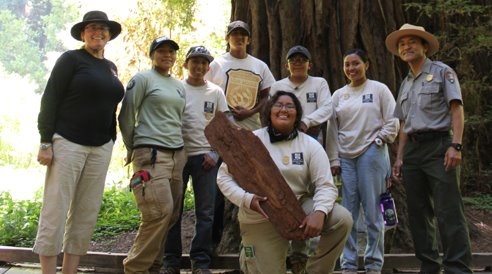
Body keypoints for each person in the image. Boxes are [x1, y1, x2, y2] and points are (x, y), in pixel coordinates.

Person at [217, 91, 353, 274]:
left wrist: (320, 212)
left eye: (290, 106)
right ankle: (250, 257)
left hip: (297, 208)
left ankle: (313, 271)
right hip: (260, 214)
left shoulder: (310, 145)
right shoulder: (251, 140)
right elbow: (223, 176)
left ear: (297, 114)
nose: (284, 109)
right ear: (269, 111)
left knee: (341, 220)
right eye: (278, 105)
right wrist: (247, 199)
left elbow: (325, 186)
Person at [34, 10, 124, 274]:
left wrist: (111, 138)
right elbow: (50, 99)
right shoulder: (71, 59)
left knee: (86, 214)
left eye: (103, 28)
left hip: (100, 147)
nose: (98, 32)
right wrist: (45, 141)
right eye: (93, 28)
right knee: (55, 210)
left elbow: (110, 107)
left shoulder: (111, 67)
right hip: (67, 143)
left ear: (109, 35)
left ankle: (70, 272)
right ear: (83, 33)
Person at [387, 24, 473, 274]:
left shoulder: (442, 72)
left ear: (425, 46)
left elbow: (456, 108)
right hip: (413, 151)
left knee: (448, 210)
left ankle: (457, 268)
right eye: (402, 44)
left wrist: (456, 145)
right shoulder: (405, 83)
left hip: (439, 146)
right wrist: (400, 158)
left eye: (413, 42)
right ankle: (429, 265)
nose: (407, 47)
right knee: (418, 212)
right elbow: (403, 125)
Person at [204, 20, 276, 250]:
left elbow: (267, 94)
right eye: (234, 34)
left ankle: (250, 236)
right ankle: (214, 240)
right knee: (218, 183)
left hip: (251, 130)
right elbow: (205, 93)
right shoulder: (216, 64)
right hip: (222, 133)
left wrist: (251, 111)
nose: (239, 38)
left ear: (249, 39)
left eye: (243, 35)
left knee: (251, 181)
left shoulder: (259, 66)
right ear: (227, 38)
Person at [118, 36, 186, 274]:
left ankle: (153, 267)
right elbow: (126, 116)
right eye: (161, 51)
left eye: (171, 51)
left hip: (177, 155)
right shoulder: (142, 79)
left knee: (171, 215)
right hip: (151, 154)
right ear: (152, 54)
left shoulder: (179, 85)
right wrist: (133, 146)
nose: (167, 55)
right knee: (158, 211)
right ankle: (135, 269)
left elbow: (179, 119)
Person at [329, 48, 399, 274]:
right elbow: (332, 128)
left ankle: (373, 264)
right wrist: (333, 158)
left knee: (373, 210)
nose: (351, 68)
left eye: (356, 63)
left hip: (372, 152)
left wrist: (379, 140)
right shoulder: (339, 94)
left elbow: (393, 120)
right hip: (346, 158)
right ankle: (348, 264)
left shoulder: (379, 89)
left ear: (366, 64)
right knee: (347, 214)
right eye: (347, 64)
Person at [162, 46, 229, 274]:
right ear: (185, 64)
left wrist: (215, 154)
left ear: (208, 67)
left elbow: (224, 128)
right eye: (194, 62)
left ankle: (200, 261)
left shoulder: (216, 92)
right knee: (173, 211)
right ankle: (170, 261)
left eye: (203, 63)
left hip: (206, 158)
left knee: (206, 213)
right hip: (177, 155)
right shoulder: (175, 88)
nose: (199, 67)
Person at [270, 45, 333, 140]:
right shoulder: (277, 86)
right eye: (293, 60)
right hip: (283, 136)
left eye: (302, 60)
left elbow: (327, 108)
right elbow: (271, 112)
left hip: (311, 136)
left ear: (309, 65)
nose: (297, 63)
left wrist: (306, 122)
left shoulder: (319, 83)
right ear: (287, 66)